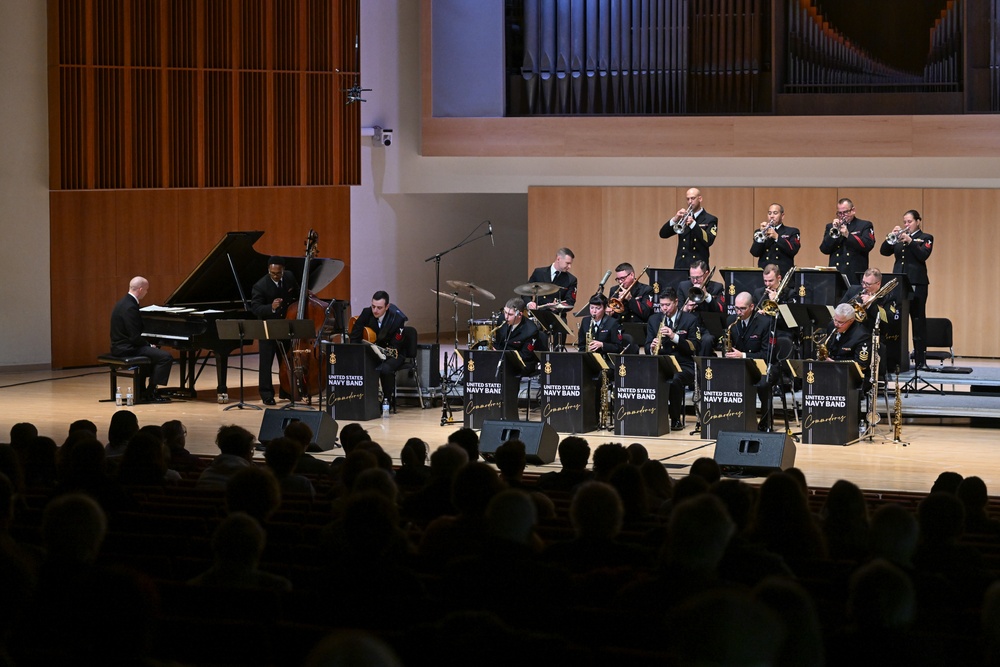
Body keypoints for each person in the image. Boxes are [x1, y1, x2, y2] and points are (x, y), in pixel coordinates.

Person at [880, 209, 933, 369]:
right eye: (904, 222)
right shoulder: (899, 238)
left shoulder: (926, 238)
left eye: (909, 221)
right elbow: (884, 251)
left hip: (917, 283)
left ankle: (920, 360)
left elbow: (923, 255)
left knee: (918, 321)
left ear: (918, 221)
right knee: (896, 321)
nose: (906, 225)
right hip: (899, 284)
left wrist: (910, 241)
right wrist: (892, 236)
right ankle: (897, 358)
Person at [109, 276, 173, 402]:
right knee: (165, 357)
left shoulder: (123, 302)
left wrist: (148, 345)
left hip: (120, 345)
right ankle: (150, 392)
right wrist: (148, 345)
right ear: (140, 289)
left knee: (154, 354)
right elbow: (134, 337)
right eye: (146, 290)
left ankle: (142, 390)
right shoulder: (130, 307)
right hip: (127, 348)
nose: (146, 292)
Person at [645, 288, 699, 431]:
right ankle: (649, 416)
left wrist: (674, 336)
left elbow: (694, 347)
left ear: (676, 302)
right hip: (661, 363)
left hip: (683, 365)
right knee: (646, 376)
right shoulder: (653, 319)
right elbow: (646, 345)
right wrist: (651, 346)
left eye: (667, 305)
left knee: (675, 380)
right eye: (662, 305)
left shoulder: (690, 319)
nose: (664, 308)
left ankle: (675, 419)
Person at [723, 292, 777, 431]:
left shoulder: (765, 323)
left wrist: (743, 355)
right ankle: (733, 419)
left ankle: (765, 422)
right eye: (736, 308)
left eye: (742, 309)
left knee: (764, 384)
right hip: (740, 366)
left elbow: (767, 354)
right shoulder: (731, 321)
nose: (738, 312)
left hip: (762, 366)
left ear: (752, 306)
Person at [250, 257, 300, 405]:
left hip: (285, 325)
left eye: (278, 273)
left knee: (286, 361)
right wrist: (271, 307)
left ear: (283, 270)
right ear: (268, 270)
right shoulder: (260, 286)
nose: (276, 276)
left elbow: (296, 292)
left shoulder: (289, 277)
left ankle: (286, 391)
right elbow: (256, 308)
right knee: (266, 363)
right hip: (268, 328)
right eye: (272, 273)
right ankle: (266, 394)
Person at [348, 291, 408, 412]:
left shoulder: (398, 319)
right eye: (373, 306)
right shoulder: (367, 312)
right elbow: (355, 334)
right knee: (357, 364)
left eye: (379, 308)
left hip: (393, 353)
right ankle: (361, 399)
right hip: (372, 351)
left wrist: (385, 352)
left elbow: (396, 346)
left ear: (387, 307)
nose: (375, 310)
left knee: (385, 369)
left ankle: (386, 400)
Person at [839, 267, 900, 373]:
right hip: (851, 335)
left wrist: (871, 304)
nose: (864, 286)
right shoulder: (854, 290)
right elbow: (840, 307)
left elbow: (888, 319)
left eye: (868, 284)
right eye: (863, 282)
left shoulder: (888, 296)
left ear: (878, 284)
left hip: (870, 336)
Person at [659, 187, 719, 269]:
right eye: (688, 199)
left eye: (693, 198)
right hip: (681, 266)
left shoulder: (710, 219)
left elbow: (709, 240)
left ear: (700, 199)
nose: (690, 202)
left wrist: (693, 224)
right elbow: (663, 234)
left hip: (699, 268)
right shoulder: (683, 218)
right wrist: (675, 219)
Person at [819, 197, 876, 284]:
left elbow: (868, 245)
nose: (842, 216)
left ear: (853, 210)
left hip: (854, 275)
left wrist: (848, 235)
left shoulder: (864, 225)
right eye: (839, 213)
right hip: (836, 275)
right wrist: (834, 231)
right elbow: (824, 249)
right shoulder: (830, 227)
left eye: (845, 212)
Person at [677, 260, 725, 356]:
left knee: (707, 340)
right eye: (692, 277)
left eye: (698, 277)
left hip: (707, 329)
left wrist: (706, 295)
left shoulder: (717, 287)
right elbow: (677, 311)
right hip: (690, 327)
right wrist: (686, 308)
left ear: (706, 274)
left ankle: (702, 367)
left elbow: (720, 310)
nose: (695, 281)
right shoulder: (683, 286)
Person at [492, 297, 543, 375]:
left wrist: (504, 355)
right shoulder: (502, 319)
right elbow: (499, 342)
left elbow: (526, 355)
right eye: (505, 312)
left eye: (510, 314)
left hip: (521, 363)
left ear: (519, 314)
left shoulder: (531, 330)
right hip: (502, 358)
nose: (506, 317)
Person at [749, 203, 800, 276]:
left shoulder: (792, 231)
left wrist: (777, 237)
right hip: (765, 276)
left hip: (782, 274)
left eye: (775, 213)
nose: (772, 216)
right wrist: (762, 235)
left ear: (782, 216)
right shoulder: (759, 232)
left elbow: (793, 250)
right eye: (769, 213)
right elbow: (755, 253)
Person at [525, 247, 577, 312]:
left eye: (570, 264)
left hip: (557, 316)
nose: (569, 267)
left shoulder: (571, 279)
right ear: (558, 259)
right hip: (538, 313)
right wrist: (529, 303)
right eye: (567, 263)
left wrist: (558, 306)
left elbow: (570, 302)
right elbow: (525, 291)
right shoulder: (539, 273)